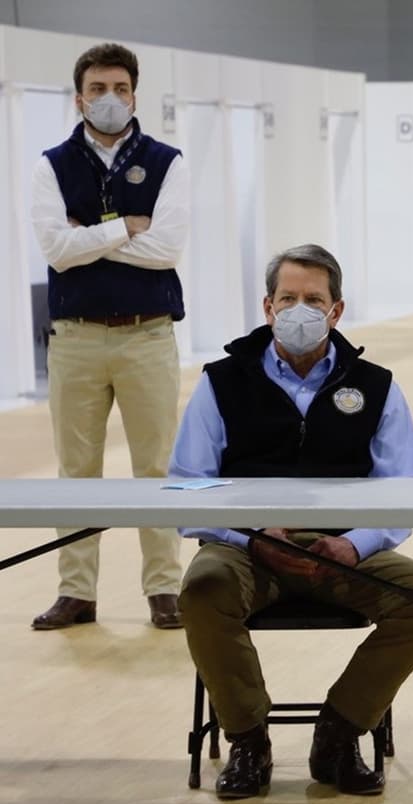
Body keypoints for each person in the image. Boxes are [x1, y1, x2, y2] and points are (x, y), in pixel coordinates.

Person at [170, 244, 413, 800]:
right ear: (268, 307)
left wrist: (355, 545)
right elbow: (187, 481)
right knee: (202, 592)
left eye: (313, 300)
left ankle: (340, 731)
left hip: (341, 550)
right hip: (244, 548)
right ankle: (249, 740)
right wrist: (246, 537)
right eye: (288, 299)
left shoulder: (376, 385)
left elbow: (404, 487)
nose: (299, 309)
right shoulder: (221, 382)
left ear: (337, 311)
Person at [30, 42, 189, 630]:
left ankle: (164, 589)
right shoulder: (52, 164)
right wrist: (126, 227)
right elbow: (55, 251)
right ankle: (77, 592)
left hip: (147, 336)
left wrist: (89, 237)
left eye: (120, 88)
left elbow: (167, 249)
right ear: (79, 98)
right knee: (77, 470)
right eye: (98, 89)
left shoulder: (167, 160)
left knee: (157, 467)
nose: (110, 99)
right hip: (74, 337)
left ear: (135, 95)